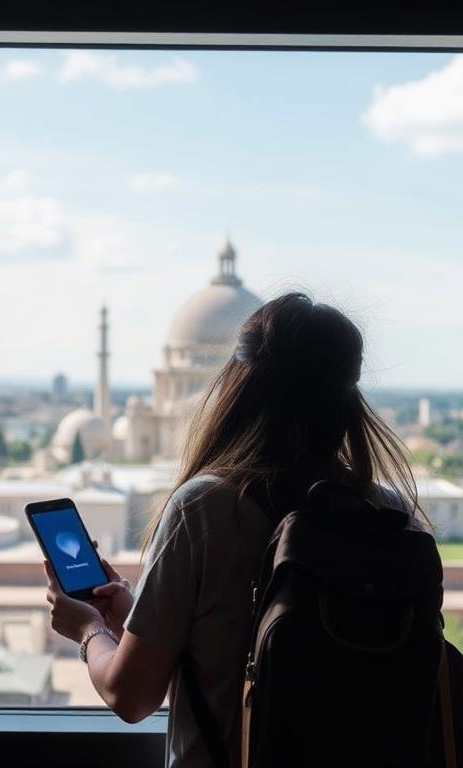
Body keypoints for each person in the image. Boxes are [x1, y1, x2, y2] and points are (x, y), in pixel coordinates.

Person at [44, 290, 433, 767]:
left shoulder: (206, 508)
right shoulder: (390, 513)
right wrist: (135, 614)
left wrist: (87, 628)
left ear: (241, 386)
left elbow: (131, 695)